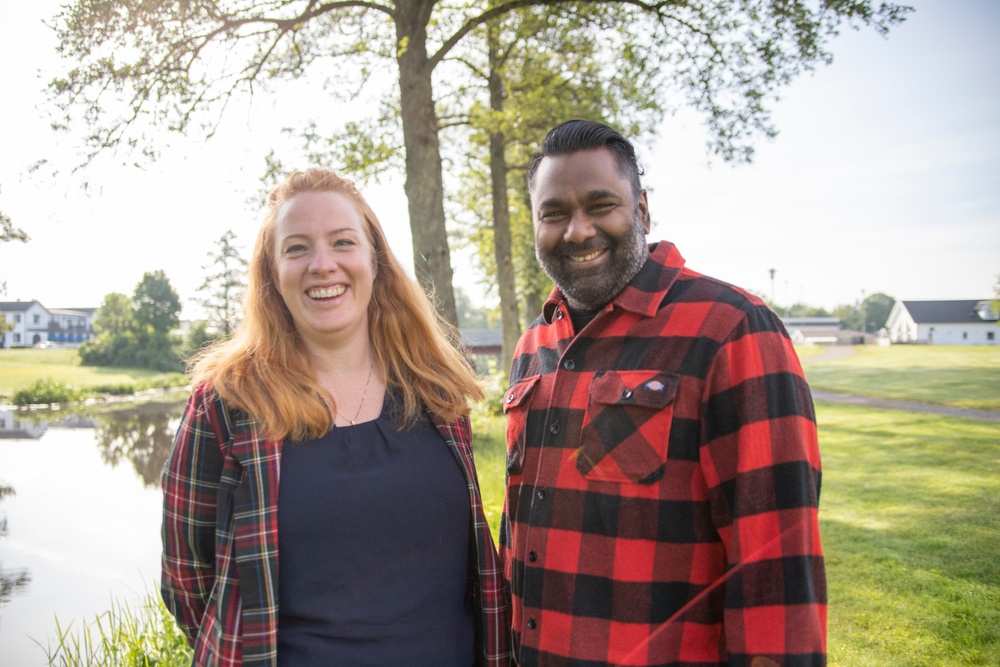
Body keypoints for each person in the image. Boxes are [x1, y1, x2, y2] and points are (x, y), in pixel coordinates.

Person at [500, 120, 826, 666]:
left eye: (600, 204)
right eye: (553, 213)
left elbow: (777, 559)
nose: (577, 231)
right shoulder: (534, 343)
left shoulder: (730, 328)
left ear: (643, 210)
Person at [161, 168, 510, 667]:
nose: (323, 265)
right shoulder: (228, 403)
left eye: (343, 242)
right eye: (297, 248)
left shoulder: (434, 392)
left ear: (376, 259)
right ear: (271, 273)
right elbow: (186, 579)